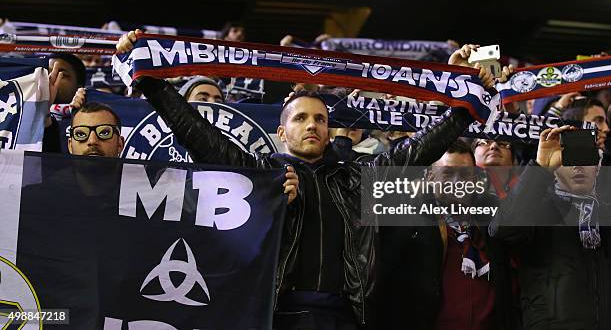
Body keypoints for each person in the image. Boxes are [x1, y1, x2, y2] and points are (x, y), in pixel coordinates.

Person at [117, 33, 500, 329]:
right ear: (281, 134)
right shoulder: (262, 176)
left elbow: (416, 151)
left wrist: (466, 105)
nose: (312, 125)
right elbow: (199, 135)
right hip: (277, 315)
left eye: (319, 118)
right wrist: (150, 81)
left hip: (345, 316)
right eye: (300, 119)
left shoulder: (356, 177)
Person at [377, 140, 518, 330]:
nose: (457, 182)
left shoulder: (492, 221)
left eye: (465, 174)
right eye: (448, 173)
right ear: (429, 177)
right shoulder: (408, 222)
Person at [490, 125, 611, 329]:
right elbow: (502, 229)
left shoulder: (605, 212)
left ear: (597, 167)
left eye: (585, 158)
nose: (577, 167)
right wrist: (540, 167)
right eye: (569, 159)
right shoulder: (538, 206)